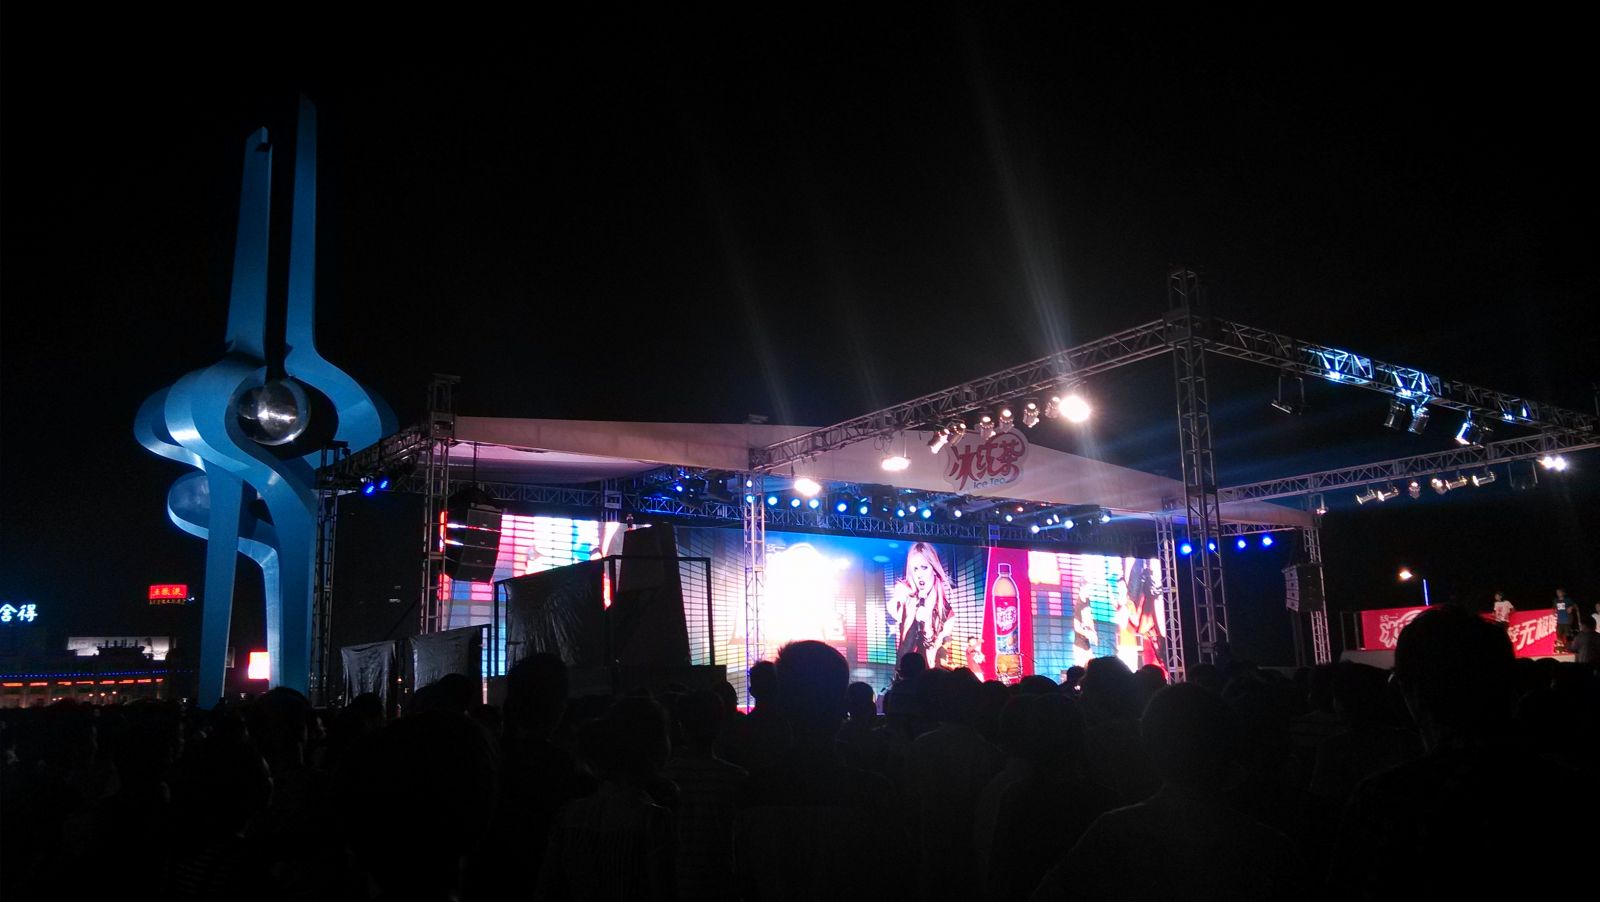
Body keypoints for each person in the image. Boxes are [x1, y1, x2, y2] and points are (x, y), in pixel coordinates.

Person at [887, 542, 954, 668]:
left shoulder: (947, 613)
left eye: (924, 567)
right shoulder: (905, 600)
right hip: (904, 674)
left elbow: (934, 657)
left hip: (930, 676)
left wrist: (927, 626)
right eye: (915, 569)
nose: (919, 574)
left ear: (934, 569)